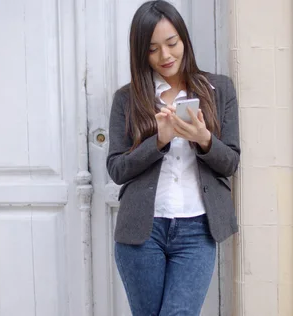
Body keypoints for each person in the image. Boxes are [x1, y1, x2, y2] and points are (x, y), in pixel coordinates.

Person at [106, 1, 240, 315]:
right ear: (141, 53)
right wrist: (160, 140)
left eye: (172, 43)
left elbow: (231, 163)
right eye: (153, 49)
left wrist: (204, 139)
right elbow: (116, 168)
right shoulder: (127, 99)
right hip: (143, 231)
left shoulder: (218, 90)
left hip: (197, 230)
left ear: (184, 40)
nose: (165, 56)